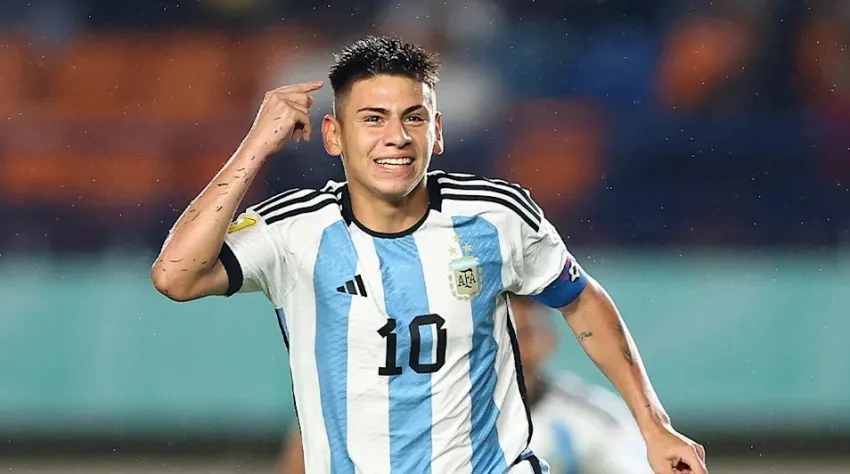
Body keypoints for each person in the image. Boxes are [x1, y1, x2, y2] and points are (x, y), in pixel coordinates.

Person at [151, 35, 707, 474]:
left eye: (413, 117)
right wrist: (256, 144)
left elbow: (580, 299)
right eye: (372, 118)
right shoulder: (293, 230)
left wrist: (653, 425)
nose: (396, 136)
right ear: (333, 135)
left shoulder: (496, 215)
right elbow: (176, 277)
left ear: (436, 132)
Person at [275, 295, 655, 474]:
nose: (505, 348)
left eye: (520, 335)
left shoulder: (592, 421)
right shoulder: (398, 402)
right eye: (491, 333)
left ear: (548, 341)